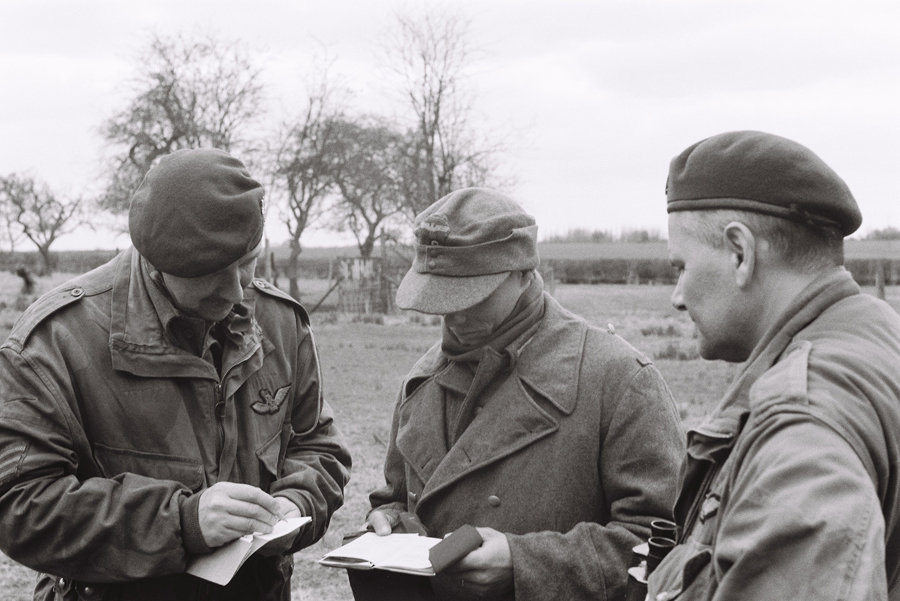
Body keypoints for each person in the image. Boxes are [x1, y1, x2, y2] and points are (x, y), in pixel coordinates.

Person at [0, 149, 352, 600]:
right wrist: (181, 523)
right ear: (155, 264)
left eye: (248, 262)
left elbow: (317, 444)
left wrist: (296, 503)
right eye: (212, 273)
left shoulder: (281, 322)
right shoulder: (56, 341)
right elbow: (19, 504)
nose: (237, 291)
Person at [358, 188, 685, 601]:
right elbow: (396, 496)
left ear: (524, 273)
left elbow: (663, 543)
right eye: (440, 297)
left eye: (472, 295)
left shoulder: (619, 380)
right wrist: (388, 520)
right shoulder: (422, 380)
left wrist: (525, 563)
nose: (454, 316)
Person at [647, 131, 900, 600]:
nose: (677, 298)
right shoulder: (874, 330)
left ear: (740, 253)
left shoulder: (800, 431)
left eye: (680, 267)